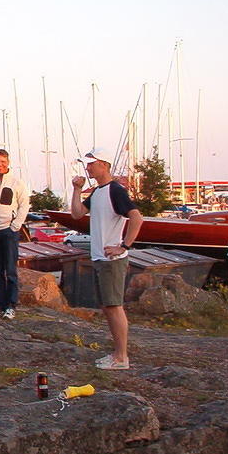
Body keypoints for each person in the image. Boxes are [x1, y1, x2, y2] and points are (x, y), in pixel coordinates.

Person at [70, 147, 143, 370]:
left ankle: (122, 357)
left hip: (112, 260)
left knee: (114, 305)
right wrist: (76, 189)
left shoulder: (115, 190)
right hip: (100, 257)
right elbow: (76, 214)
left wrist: (124, 246)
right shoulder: (98, 191)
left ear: (104, 164)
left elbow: (136, 217)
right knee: (108, 306)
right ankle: (117, 354)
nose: (88, 167)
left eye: (92, 163)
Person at [0, 149, 30, 319]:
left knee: (10, 269)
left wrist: (15, 226)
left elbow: (24, 205)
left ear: (8, 162)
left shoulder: (17, 183)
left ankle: (11, 305)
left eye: (2, 161)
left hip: (8, 231)